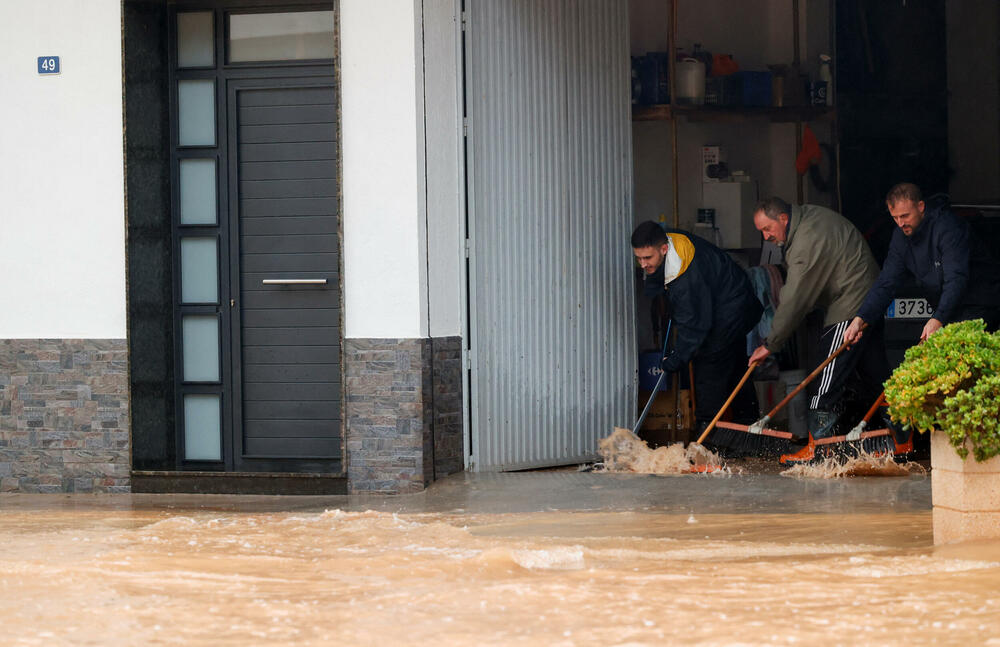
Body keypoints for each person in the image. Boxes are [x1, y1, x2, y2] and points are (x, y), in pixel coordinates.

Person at [747, 198, 887, 462]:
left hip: (851, 303)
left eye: (767, 229)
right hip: (868, 299)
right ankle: (900, 439)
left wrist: (770, 343)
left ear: (783, 220)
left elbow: (796, 299)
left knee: (824, 378)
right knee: (877, 376)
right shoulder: (810, 219)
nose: (766, 237)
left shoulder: (805, 240)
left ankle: (820, 450)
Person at [631, 221, 762, 445]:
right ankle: (747, 434)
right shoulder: (668, 242)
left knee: (710, 367)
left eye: (647, 258)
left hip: (732, 309)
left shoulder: (686, 277)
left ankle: (707, 441)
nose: (642, 264)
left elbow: (695, 328)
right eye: (639, 258)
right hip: (724, 300)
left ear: (663, 250)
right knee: (733, 368)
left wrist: (674, 361)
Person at [844, 183, 1000, 345]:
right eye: (895, 217)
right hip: (951, 307)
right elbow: (886, 282)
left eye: (904, 216)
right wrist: (860, 318)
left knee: (959, 357)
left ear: (920, 206)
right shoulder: (900, 237)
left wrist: (938, 318)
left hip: (981, 302)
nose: (900, 223)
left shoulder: (948, 228)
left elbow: (956, 278)